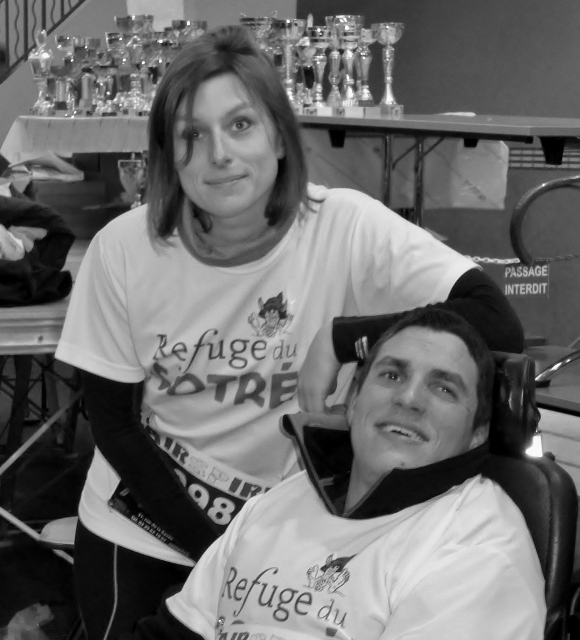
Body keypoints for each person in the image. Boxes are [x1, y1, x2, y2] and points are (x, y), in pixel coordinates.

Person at [54, 25, 525, 640]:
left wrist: (345, 338)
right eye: (191, 135)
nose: (219, 154)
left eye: (240, 125)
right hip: (141, 522)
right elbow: (114, 426)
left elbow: (494, 319)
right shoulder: (123, 248)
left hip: (284, 532)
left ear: (279, 134)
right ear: (167, 154)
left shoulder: (345, 226)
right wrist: (223, 553)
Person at [128, 308, 546, 640]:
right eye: (392, 375)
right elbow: (174, 632)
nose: (408, 398)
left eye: (444, 388)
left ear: (478, 433)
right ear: (353, 400)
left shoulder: (479, 551)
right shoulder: (278, 505)